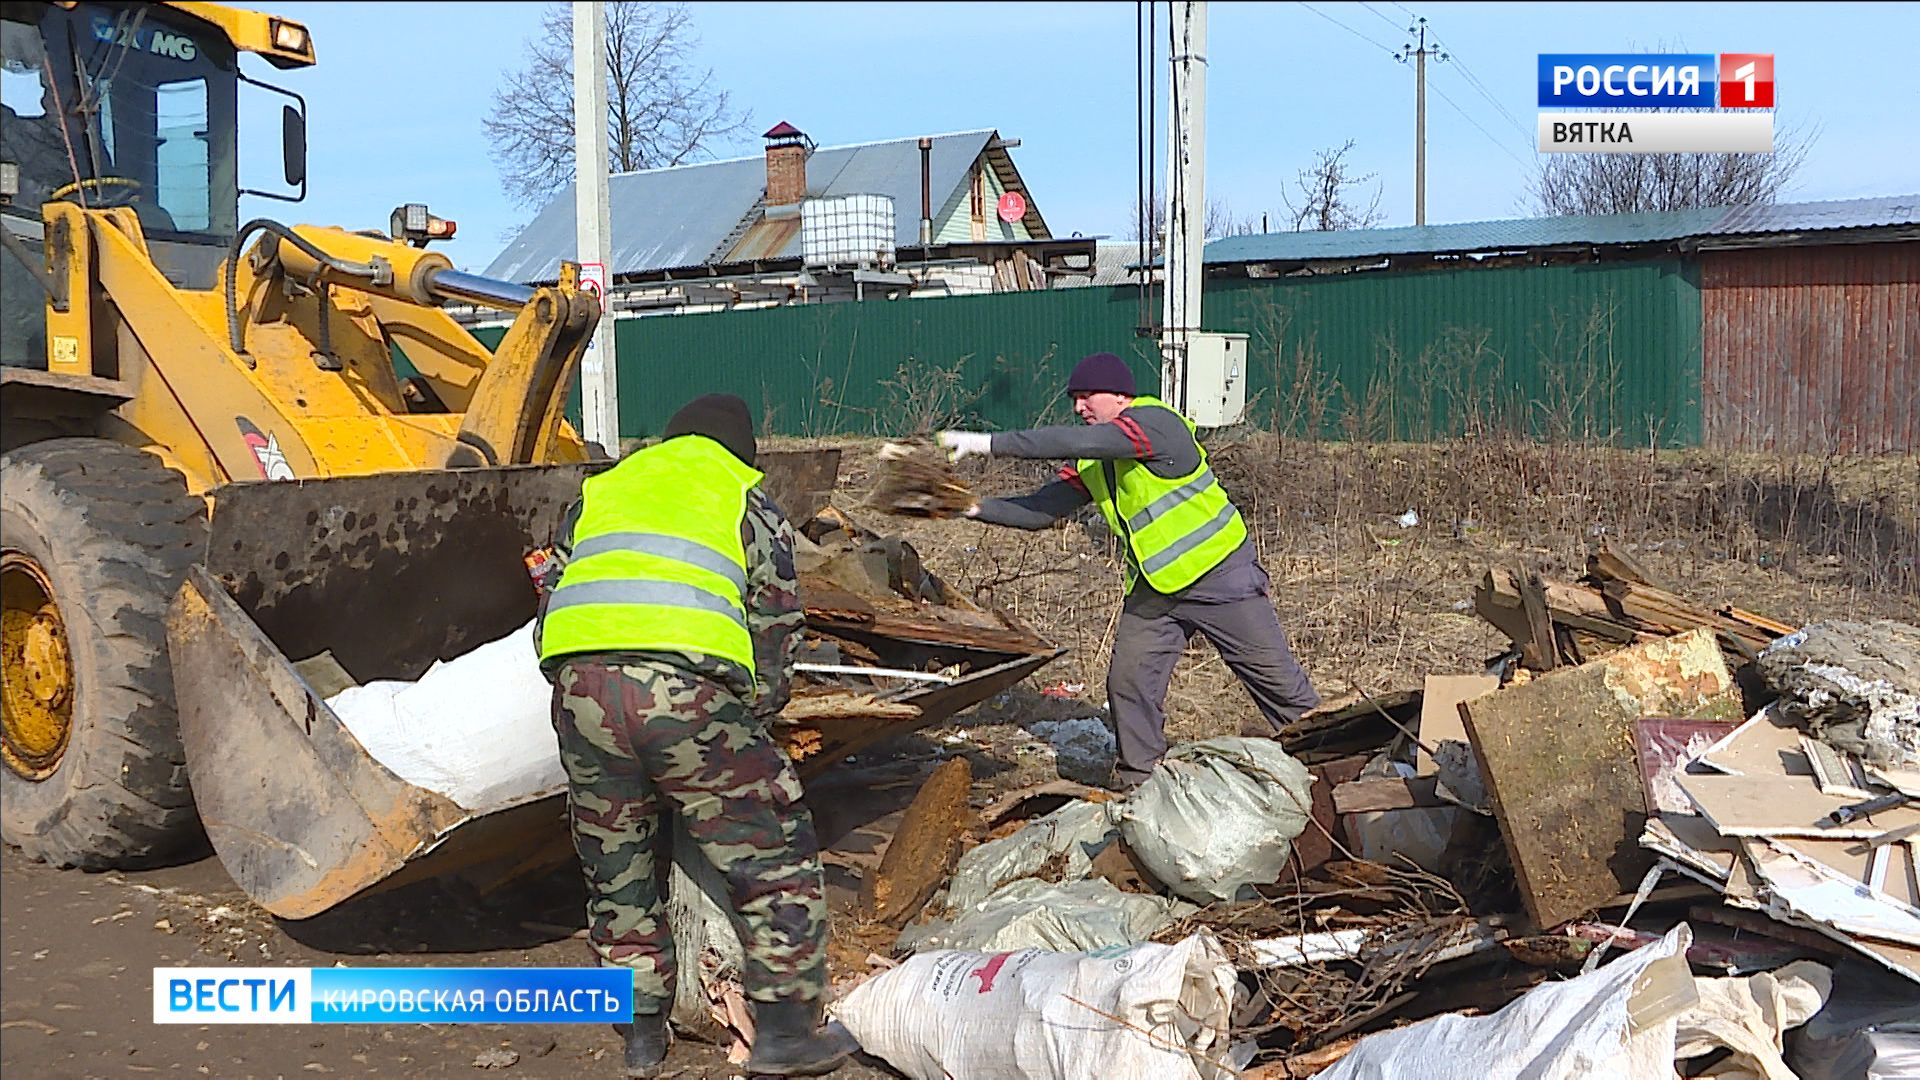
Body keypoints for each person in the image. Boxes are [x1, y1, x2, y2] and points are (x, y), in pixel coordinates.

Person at [536, 393, 858, 1078]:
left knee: (617, 863)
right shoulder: (743, 497)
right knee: (771, 853)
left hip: (581, 686)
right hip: (685, 692)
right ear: (740, 449)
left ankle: (640, 1034)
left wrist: (580, 680)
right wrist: (755, 711)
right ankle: (786, 1033)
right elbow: (776, 624)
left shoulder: (606, 489)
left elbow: (552, 596)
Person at [937, 352, 1321, 789]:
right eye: (1074, 400)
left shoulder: (1156, 423)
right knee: (1128, 684)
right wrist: (966, 506)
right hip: (1155, 590)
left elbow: (1079, 442)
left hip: (1219, 576)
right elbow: (1041, 510)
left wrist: (987, 443)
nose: (1079, 407)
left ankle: (1333, 762)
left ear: (1121, 395)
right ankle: (1140, 783)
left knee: (1278, 684)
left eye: (1087, 396)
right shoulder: (1094, 461)